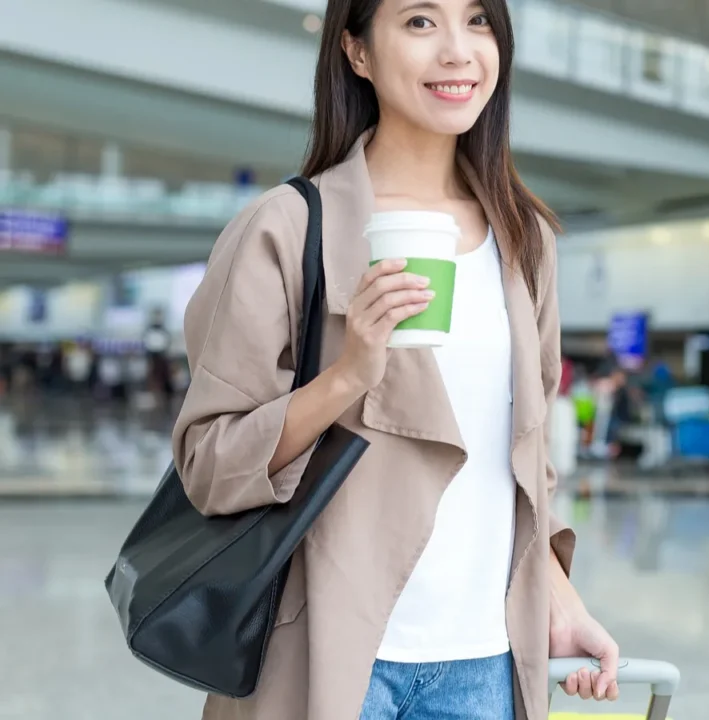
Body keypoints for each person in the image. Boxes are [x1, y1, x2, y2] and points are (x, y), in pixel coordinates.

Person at [171, 2, 618, 718]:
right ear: (357, 52)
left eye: (477, 21)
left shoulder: (524, 240)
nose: (457, 51)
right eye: (419, 22)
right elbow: (210, 464)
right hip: (325, 662)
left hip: (486, 668)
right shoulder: (286, 229)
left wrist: (560, 600)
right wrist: (348, 375)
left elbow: (526, 464)